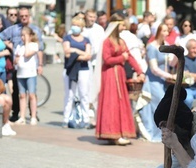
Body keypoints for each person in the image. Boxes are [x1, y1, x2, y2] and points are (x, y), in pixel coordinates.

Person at [95, 15, 145, 145]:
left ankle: (119, 132)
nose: (124, 27)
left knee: (120, 103)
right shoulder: (107, 42)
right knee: (111, 103)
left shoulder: (122, 41)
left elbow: (130, 57)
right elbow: (107, 59)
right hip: (110, 74)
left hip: (120, 75)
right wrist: (120, 58)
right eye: (121, 25)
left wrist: (140, 71)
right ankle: (112, 134)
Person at [0, 6, 44, 122]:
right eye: (22, 16)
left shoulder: (35, 30)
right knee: (17, 92)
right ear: (19, 17)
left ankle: (33, 113)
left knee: (32, 91)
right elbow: (0, 36)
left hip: (31, 67)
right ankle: (17, 113)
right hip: (17, 67)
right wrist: (9, 45)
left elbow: (40, 49)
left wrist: (40, 65)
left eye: (26, 16)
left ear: (29, 16)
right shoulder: (14, 29)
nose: (24, 18)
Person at [138, 24, 176, 142]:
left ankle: (163, 132)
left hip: (162, 80)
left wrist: (177, 54)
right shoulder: (151, 47)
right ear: (158, 32)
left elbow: (171, 64)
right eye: (163, 30)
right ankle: (155, 133)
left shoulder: (166, 46)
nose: (166, 33)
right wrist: (170, 76)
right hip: (153, 81)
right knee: (159, 103)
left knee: (164, 104)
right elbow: (154, 69)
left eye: (167, 31)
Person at [62, 16, 92, 129]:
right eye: (74, 25)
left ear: (82, 27)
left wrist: (75, 52)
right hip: (70, 69)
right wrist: (80, 52)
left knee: (84, 94)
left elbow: (88, 56)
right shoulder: (67, 38)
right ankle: (66, 119)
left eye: (78, 25)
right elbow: (67, 53)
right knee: (69, 95)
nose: (75, 27)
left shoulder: (86, 40)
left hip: (83, 69)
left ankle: (85, 119)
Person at [14, 26, 39, 125]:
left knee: (32, 95)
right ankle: (22, 116)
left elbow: (28, 54)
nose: (23, 38)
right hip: (20, 73)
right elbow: (15, 60)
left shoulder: (33, 45)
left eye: (25, 35)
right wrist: (16, 60)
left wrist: (27, 42)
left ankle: (33, 116)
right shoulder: (20, 47)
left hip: (30, 73)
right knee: (22, 95)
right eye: (22, 36)